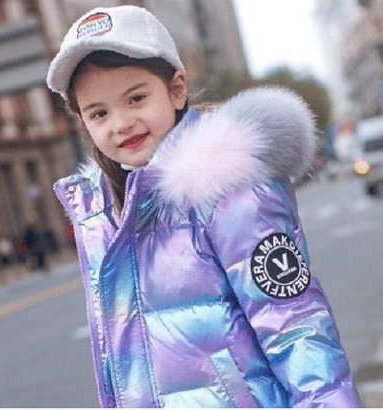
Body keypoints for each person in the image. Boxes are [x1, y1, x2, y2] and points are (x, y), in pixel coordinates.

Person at [47, 5, 361, 408]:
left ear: (176, 89)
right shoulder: (107, 214)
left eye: (136, 98)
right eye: (99, 113)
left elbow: (295, 325)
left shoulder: (228, 186)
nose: (120, 123)